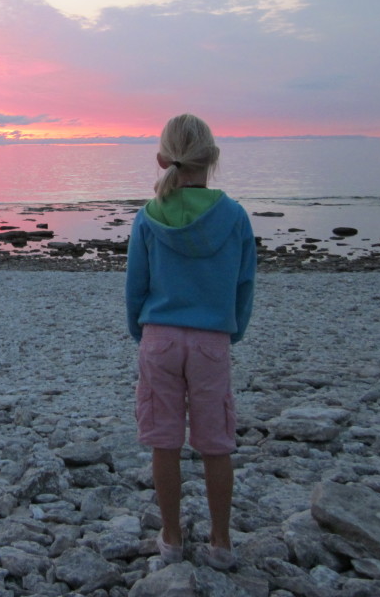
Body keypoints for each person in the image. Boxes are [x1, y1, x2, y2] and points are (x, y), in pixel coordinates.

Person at [125, 113, 256, 571]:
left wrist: (141, 331)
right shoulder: (234, 216)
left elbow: (135, 286)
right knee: (216, 442)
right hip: (211, 340)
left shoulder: (148, 216)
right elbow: (244, 284)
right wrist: (232, 329)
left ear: (164, 159)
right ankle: (221, 542)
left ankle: (173, 539)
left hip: (159, 338)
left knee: (165, 441)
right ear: (212, 157)